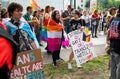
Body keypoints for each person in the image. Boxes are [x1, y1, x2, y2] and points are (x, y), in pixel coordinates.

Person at [109, 6, 120, 79]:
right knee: (119, 69)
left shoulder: (114, 19)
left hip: (112, 46)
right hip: (119, 48)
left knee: (113, 67)